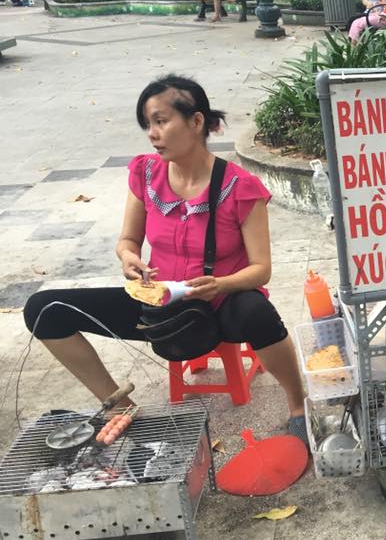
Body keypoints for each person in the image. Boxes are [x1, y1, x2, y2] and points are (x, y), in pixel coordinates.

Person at [23, 75, 310, 446]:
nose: (152, 133)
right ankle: (118, 405)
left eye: (161, 121)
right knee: (44, 309)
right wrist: (129, 258)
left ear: (196, 122)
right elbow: (128, 240)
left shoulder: (240, 187)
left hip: (218, 304)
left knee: (257, 311)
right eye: (148, 124)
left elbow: (261, 269)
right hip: (158, 303)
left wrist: (220, 284)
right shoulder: (145, 174)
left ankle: (298, 404)